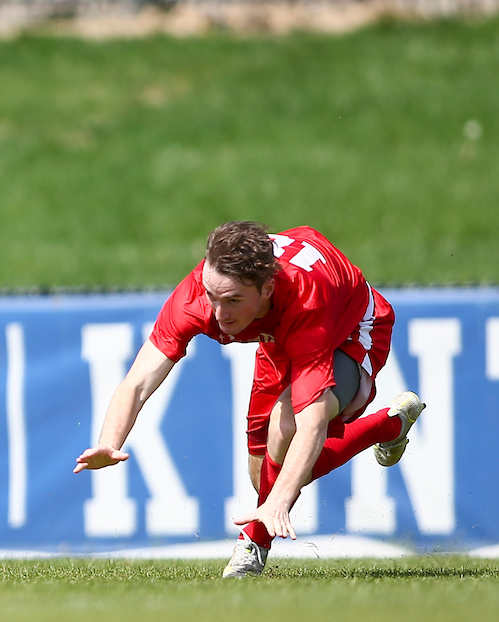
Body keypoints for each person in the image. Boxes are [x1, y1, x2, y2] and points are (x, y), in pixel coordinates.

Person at [73, 221, 424, 578]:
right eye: (212, 296)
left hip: (350, 327)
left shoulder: (305, 303)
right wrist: (109, 443)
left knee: (285, 428)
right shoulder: (198, 295)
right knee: (265, 476)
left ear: (267, 288)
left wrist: (279, 503)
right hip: (278, 336)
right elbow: (136, 382)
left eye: (233, 301)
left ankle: (252, 547)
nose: (218, 313)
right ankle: (389, 424)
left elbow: (312, 423)